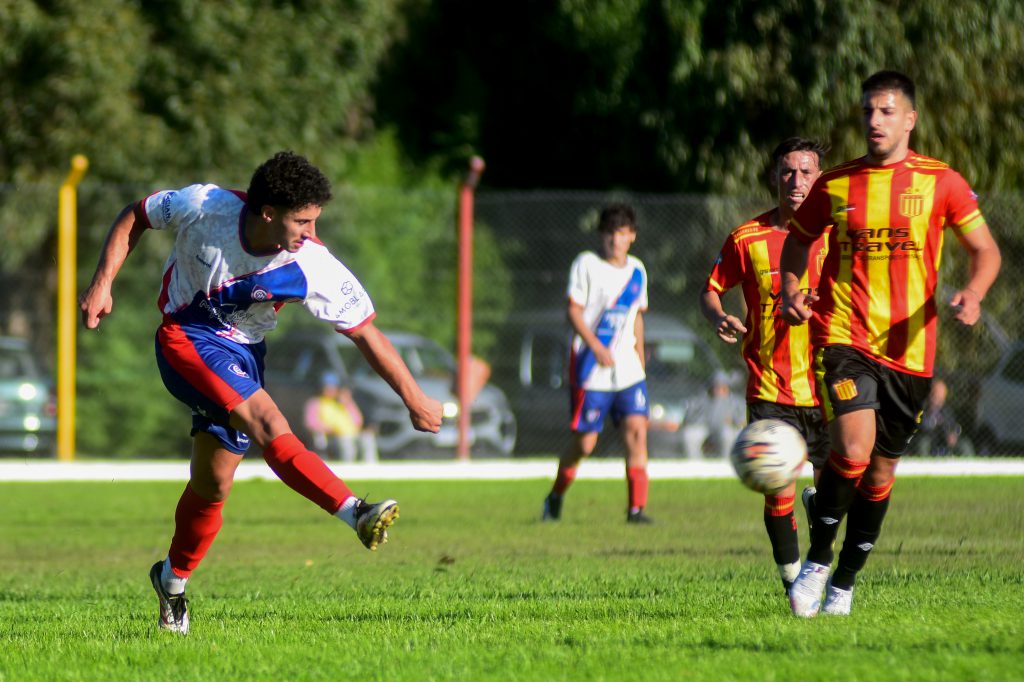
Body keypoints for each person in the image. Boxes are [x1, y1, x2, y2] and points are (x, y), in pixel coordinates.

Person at [79, 151, 442, 635]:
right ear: (268, 213)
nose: (312, 231)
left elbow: (365, 333)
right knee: (270, 423)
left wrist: (414, 397)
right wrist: (103, 283)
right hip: (184, 338)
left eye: (315, 220)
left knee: (213, 486)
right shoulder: (203, 206)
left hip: (244, 356)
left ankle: (171, 582)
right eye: (303, 221)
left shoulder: (313, 265)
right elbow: (137, 215)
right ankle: (355, 511)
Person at [780, 71, 1001, 617]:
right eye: (867, 112)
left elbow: (985, 251)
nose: (874, 121)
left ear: (910, 119)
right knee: (853, 451)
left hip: (911, 351)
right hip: (845, 337)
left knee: (879, 474)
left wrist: (974, 293)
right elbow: (798, 242)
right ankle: (816, 562)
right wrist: (790, 289)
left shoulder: (941, 182)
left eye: (886, 111)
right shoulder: (837, 184)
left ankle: (844, 583)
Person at [698, 137, 832, 593]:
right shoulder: (747, 238)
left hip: (828, 383)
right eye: (788, 171)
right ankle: (794, 585)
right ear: (775, 176)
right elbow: (711, 289)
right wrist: (719, 316)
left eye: (806, 172)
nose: (796, 181)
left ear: (819, 178)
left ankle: (819, 541)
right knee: (777, 488)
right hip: (770, 385)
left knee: (836, 493)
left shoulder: (835, 235)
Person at [541, 203, 653, 524]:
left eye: (622, 233)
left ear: (632, 236)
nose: (615, 240)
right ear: (601, 236)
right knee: (586, 443)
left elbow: (636, 317)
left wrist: (640, 355)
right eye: (610, 233)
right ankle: (555, 496)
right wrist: (596, 346)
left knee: (637, 433)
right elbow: (573, 311)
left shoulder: (637, 270)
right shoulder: (586, 264)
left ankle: (636, 510)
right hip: (591, 368)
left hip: (628, 369)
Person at [304, 372, 378, 463]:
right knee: (346, 443)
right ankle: (347, 465)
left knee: (367, 438)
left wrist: (348, 403)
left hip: (351, 433)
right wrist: (327, 428)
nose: (330, 390)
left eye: (333, 388)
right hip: (332, 435)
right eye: (327, 388)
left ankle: (370, 465)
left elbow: (358, 421)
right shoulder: (316, 403)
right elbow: (311, 423)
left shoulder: (343, 402)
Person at [680, 370, 746, 460]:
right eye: (716, 386)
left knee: (728, 435)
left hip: (726, 428)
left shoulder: (736, 402)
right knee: (690, 435)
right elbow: (690, 416)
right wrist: (697, 421)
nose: (718, 390)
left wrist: (734, 421)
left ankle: (726, 462)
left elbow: (743, 420)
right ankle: (695, 463)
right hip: (705, 427)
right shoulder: (702, 400)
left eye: (722, 387)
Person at [911, 378, 973, 456]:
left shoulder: (946, 411)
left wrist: (952, 434)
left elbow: (953, 425)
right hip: (929, 438)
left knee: (965, 445)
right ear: (930, 394)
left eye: (941, 396)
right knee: (923, 443)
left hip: (943, 439)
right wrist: (933, 421)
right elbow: (920, 426)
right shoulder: (922, 408)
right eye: (936, 395)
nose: (938, 399)